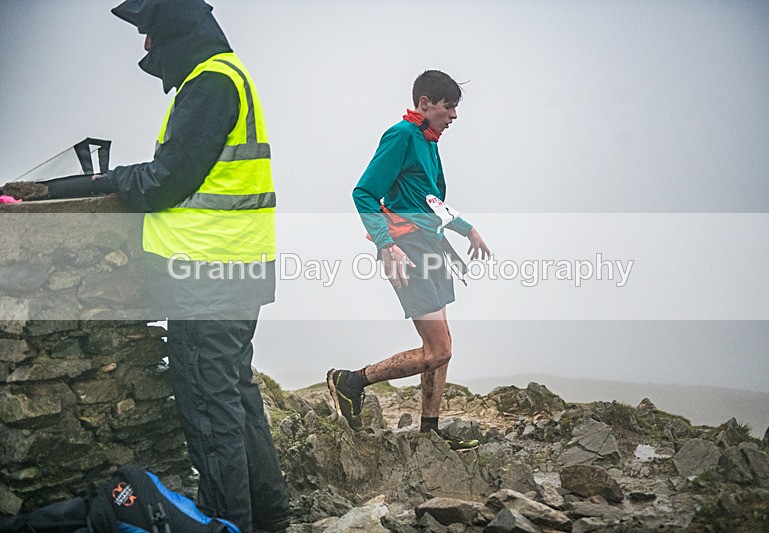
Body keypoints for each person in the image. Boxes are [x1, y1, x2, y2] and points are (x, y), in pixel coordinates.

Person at [92, 1, 289, 531]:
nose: (147, 49)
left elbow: (165, 181)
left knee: (210, 408)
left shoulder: (208, 84)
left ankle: (229, 524)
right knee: (236, 398)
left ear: (176, 33)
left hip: (204, 275)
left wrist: (108, 181)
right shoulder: (230, 76)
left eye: (151, 36)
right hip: (239, 267)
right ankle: (268, 518)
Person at [327, 70, 491, 451]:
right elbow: (364, 193)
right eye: (448, 108)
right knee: (439, 350)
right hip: (408, 250)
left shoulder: (429, 141)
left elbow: (429, 200)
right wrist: (386, 245)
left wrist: (467, 229)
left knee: (443, 345)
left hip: (429, 245)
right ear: (425, 104)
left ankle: (429, 430)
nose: (453, 116)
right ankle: (351, 381)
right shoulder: (401, 135)